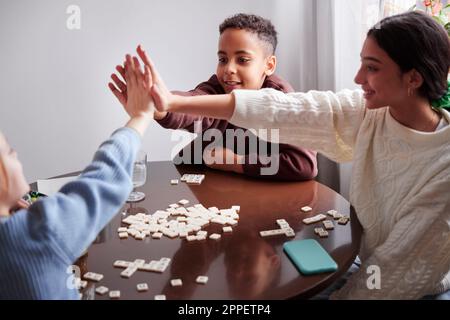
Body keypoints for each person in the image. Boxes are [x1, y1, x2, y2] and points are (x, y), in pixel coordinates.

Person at [119, 11, 450, 299]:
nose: (357, 78)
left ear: (414, 78)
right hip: (366, 264)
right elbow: (280, 110)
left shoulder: (443, 169)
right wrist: (168, 103)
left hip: (409, 287)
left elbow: (394, 273)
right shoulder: (370, 113)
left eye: (372, 68)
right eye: (361, 64)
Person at [0, 55, 154, 299]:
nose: (16, 153)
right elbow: (102, 178)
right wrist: (140, 117)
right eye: (8, 151)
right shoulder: (37, 232)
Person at [109, 14, 317, 181]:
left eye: (242, 60)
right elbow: (195, 104)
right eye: (223, 59)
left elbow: (304, 165)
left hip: (265, 195)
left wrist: (237, 162)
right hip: (211, 187)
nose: (229, 69)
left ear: (269, 65)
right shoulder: (218, 88)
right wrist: (160, 107)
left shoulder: (282, 99)